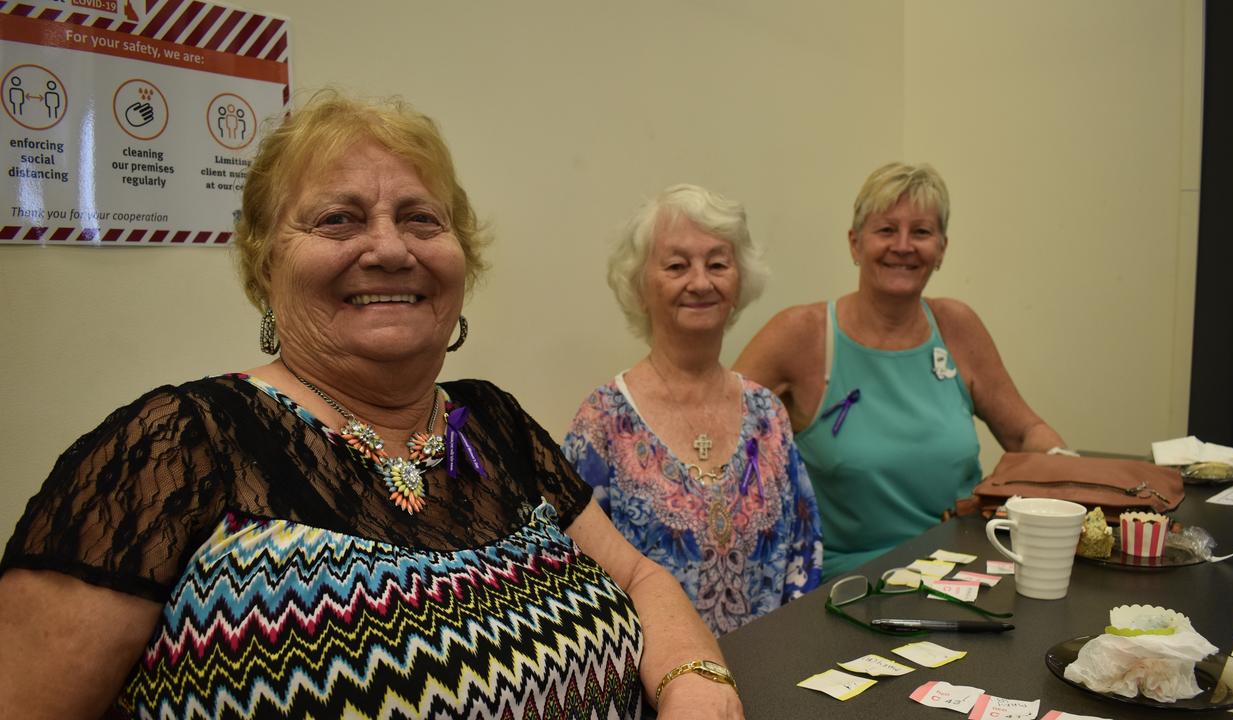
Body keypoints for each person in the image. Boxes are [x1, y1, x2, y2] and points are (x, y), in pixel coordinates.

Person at [0, 92, 743, 720]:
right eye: (338, 221)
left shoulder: (493, 423)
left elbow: (641, 578)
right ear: (265, 263)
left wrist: (695, 684)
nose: (389, 249)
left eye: (423, 219)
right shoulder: (176, 444)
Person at [734, 162, 1065, 580]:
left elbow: (1024, 434)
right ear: (855, 244)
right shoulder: (803, 334)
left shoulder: (957, 326)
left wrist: (1072, 477)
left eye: (922, 232)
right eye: (886, 230)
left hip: (968, 570)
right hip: (851, 588)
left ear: (942, 248)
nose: (904, 246)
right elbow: (723, 431)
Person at [563, 184, 822, 636]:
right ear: (641, 286)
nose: (701, 282)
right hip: (654, 689)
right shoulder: (602, 420)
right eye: (677, 266)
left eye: (718, 264)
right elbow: (575, 578)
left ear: (739, 282)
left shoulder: (767, 414)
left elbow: (804, 558)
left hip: (773, 675)